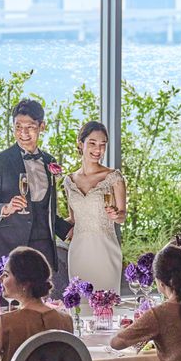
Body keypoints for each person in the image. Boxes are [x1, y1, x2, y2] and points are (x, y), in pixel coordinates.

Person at [0, 98, 72, 272]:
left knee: (42, 291)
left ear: (42, 126)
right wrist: (6, 208)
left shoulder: (49, 161)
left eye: (30, 127)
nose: (23, 133)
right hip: (8, 251)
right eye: (18, 127)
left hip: (43, 251)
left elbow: (46, 210)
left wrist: (71, 232)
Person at [63, 121, 126, 293]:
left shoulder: (114, 177)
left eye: (102, 144)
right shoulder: (69, 181)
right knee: (79, 303)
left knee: (106, 302)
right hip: (78, 254)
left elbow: (122, 215)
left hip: (106, 251)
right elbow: (73, 219)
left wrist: (116, 215)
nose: (98, 149)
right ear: (80, 144)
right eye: (92, 143)